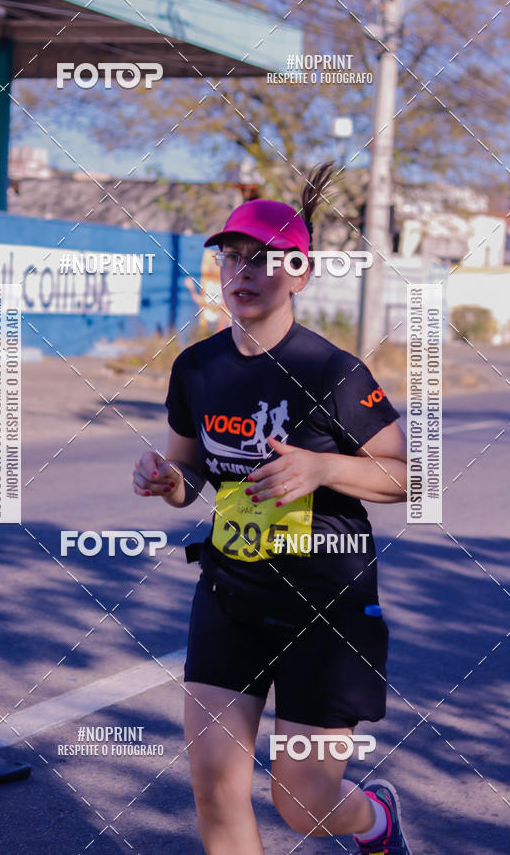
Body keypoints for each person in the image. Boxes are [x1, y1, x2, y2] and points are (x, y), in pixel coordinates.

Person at [132, 164, 411, 855]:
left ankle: (375, 822)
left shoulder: (332, 371)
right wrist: (166, 480)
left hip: (328, 606)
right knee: (214, 781)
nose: (243, 271)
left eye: (264, 259)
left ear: (299, 273)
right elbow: (190, 473)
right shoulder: (195, 369)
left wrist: (320, 468)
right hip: (231, 591)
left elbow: (410, 475)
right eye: (231, 256)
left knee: (304, 804)